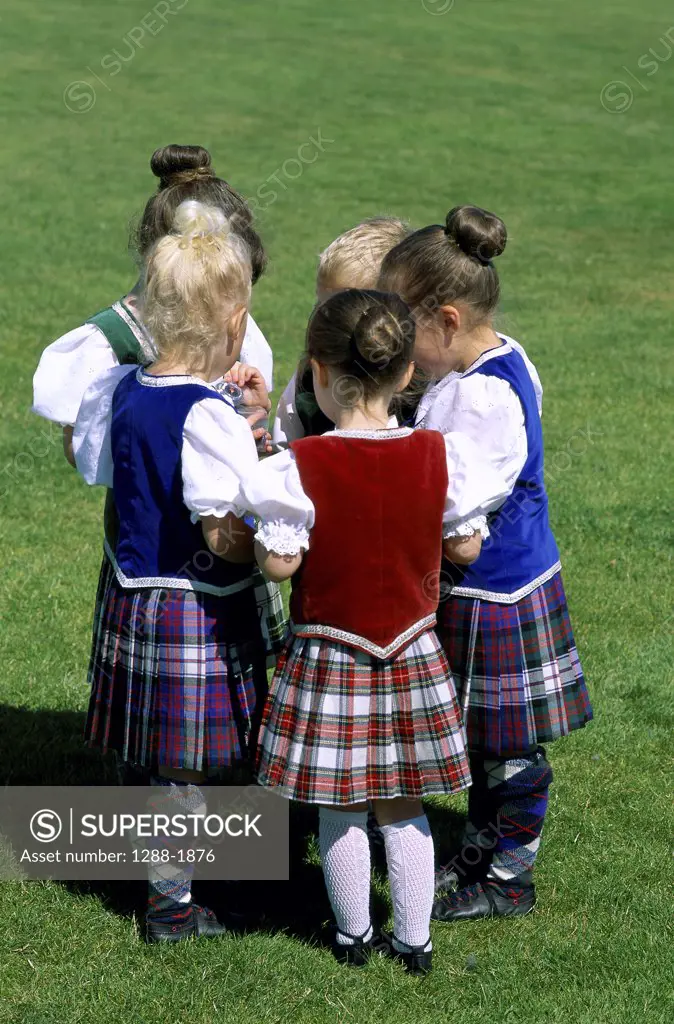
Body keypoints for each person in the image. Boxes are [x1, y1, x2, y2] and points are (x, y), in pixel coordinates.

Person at [242, 289, 510, 975]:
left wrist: (267, 535)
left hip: (330, 654)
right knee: (403, 805)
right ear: (405, 375)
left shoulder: (298, 467)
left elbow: (280, 565)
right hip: (412, 648)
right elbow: (467, 548)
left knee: (341, 806)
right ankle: (413, 941)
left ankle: (353, 936)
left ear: (320, 373)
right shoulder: (439, 455)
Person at [378, 204, 593, 922]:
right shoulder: (501, 359)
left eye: (403, 327)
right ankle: (478, 855)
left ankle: (508, 879)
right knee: (487, 739)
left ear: (444, 320)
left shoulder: (483, 396)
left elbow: (453, 511)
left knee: (510, 750)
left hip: (496, 593)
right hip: (494, 590)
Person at [31, 146, 286, 732]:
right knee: (189, 701)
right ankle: (190, 802)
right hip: (185, 555)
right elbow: (85, 447)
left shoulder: (155, 359)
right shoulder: (107, 345)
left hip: (153, 553)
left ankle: (178, 791)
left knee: (183, 700)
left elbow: (88, 452)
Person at [73, 199, 270, 943]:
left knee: (147, 752)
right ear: (233, 323)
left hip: (130, 590)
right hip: (192, 602)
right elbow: (221, 535)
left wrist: (242, 420)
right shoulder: (206, 416)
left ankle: (158, 873)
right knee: (179, 769)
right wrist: (276, 549)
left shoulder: (119, 388)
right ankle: (173, 909)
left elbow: (87, 460)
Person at [272, 217, 420, 444]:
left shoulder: (427, 388)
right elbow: (284, 445)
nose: (325, 322)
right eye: (321, 309)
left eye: (347, 310)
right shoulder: (311, 377)